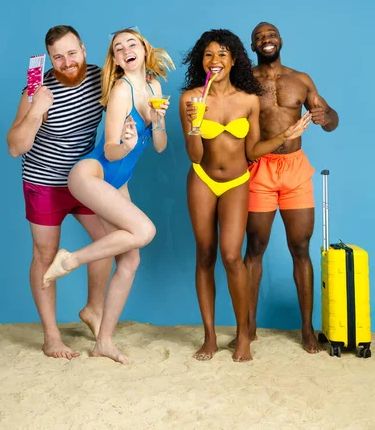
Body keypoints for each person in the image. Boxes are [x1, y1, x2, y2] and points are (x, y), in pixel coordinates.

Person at [42, 27, 175, 364]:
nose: (126, 50)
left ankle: (104, 340)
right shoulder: (120, 91)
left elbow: (159, 146)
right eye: (118, 48)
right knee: (144, 232)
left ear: (144, 49)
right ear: (115, 60)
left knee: (130, 259)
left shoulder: (154, 87)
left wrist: (157, 121)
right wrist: (126, 145)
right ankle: (70, 259)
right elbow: (112, 151)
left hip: (119, 183)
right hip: (91, 174)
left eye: (132, 44)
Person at [179, 29, 311, 362]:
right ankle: (209, 336)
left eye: (222, 54)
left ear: (235, 59)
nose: (215, 61)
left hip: (237, 181)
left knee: (232, 256)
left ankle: (243, 336)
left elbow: (252, 150)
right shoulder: (191, 99)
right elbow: (195, 156)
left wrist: (286, 133)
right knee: (205, 254)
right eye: (208, 55)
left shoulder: (248, 100)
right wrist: (194, 124)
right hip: (202, 179)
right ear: (201, 61)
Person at [7, 25, 112, 359]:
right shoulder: (35, 89)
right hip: (43, 182)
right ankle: (51, 336)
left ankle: (93, 309)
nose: (67, 62)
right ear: (49, 59)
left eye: (71, 53)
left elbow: (134, 85)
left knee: (108, 240)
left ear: (83, 48)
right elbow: (14, 147)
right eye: (58, 57)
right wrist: (37, 108)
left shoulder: (101, 78)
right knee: (44, 255)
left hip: (83, 180)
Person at [243, 21, 339, 354]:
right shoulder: (246, 81)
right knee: (254, 247)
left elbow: (331, 120)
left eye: (270, 35)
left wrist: (324, 116)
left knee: (300, 247)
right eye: (259, 38)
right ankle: (249, 327)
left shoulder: (301, 79)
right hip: (260, 168)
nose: (265, 40)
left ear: (280, 41)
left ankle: (307, 329)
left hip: (296, 168)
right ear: (253, 46)